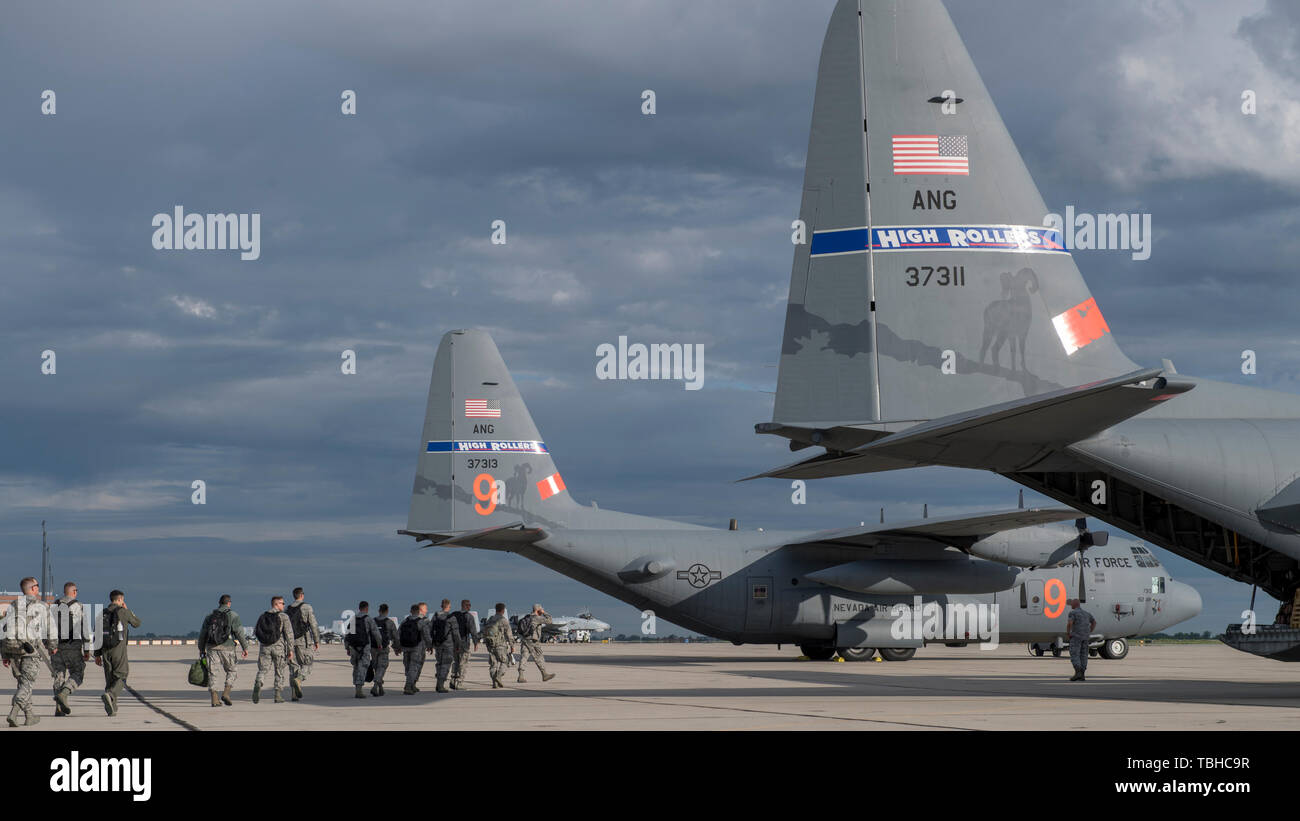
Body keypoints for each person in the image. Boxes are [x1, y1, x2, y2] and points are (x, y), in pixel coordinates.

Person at [2, 577, 55, 726]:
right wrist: (52, 646)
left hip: (13, 650)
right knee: (27, 684)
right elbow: (50, 629)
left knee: (23, 683)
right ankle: (14, 711)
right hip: (31, 650)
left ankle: (30, 715)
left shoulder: (12, 606)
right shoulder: (41, 606)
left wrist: (4, 654)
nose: (38, 588)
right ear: (32, 588)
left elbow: (4, 631)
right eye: (37, 585)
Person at [94, 589, 140, 717]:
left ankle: (112, 708)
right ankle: (111, 695)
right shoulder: (123, 612)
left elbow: (96, 635)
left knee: (109, 679)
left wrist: (97, 654)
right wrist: (128, 609)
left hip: (104, 649)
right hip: (119, 649)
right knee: (121, 675)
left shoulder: (101, 614)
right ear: (120, 600)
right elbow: (137, 623)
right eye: (122, 600)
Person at [198, 594, 249, 707]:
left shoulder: (210, 616)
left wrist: (201, 649)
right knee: (232, 671)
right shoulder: (233, 615)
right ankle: (226, 693)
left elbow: (203, 634)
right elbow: (239, 633)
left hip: (212, 648)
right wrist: (245, 647)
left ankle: (214, 699)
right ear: (229, 603)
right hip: (228, 648)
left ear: (219, 603)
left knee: (213, 673)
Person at [51, 581, 90, 716]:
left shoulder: (54, 606)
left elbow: (46, 627)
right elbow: (85, 629)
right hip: (73, 646)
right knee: (78, 673)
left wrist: (49, 645)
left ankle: (59, 707)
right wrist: (87, 650)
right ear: (74, 592)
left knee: (58, 676)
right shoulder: (78, 606)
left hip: (56, 647)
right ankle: (65, 692)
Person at [252, 596, 295, 704]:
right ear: (276, 604)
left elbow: (256, 631)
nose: (284, 605)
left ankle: (258, 682)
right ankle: (278, 695)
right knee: (279, 672)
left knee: (263, 670)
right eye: (282, 603)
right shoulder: (283, 616)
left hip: (265, 647)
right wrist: (290, 650)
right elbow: (289, 635)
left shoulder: (263, 616)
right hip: (279, 648)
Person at [285, 587, 320, 701]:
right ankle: (299, 679)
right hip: (303, 641)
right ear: (302, 595)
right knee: (308, 663)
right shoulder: (306, 607)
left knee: (293, 667)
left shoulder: (288, 609)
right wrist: (316, 640)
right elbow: (313, 625)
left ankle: (294, 694)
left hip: (290, 641)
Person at [347, 601, 383, 699]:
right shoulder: (368, 619)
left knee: (356, 667)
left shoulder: (353, 619)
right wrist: (379, 644)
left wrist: (347, 648)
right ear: (366, 608)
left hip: (354, 647)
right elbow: (376, 633)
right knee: (363, 667)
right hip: (364, 647)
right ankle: (359, 690)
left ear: (359, 608)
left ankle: (356, 688)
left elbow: (348, 635)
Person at [515, 603, 556, 683]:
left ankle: (521, 675)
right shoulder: (537, 618)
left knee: (524, 656)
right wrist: (544, 612)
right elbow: (550, 620)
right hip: (533, 641)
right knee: (538, 656)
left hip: (525, 639)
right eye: (541, 609)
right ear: (538, 610)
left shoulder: (527, 617)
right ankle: (544, 674)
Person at [399, 602, 433, 694]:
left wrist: (397, 647)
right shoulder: (421, 622)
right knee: (414, 667)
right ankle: (408, 686)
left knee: (408, 667)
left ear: (411, 611)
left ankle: (411, 685)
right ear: (418, 611)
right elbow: (426, 635)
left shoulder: (404, 621)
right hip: (417, 648)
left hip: (405, 648)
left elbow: (398, 635)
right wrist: (430, 646)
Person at [431, 599, 463, 693]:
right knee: (446, 664)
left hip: (438, 644)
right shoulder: (451, 617)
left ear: (441, 606)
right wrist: (458, 645)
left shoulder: (436, 616)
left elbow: (430, 629)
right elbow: (456, 633)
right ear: (448, 606)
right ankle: (440, 685)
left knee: (439, 663)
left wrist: (431, 643)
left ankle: (438, 683)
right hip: (448, 644)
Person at [368, 603, 399, 696]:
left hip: (373, 648)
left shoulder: (372, 621)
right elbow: (396, 637)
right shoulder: (389, 622)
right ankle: (375, 686)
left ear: (379, 611)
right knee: (382, 667)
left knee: (376, 667)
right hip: (383, 648)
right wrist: (397, 648)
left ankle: (380, 688)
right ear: (387, 611)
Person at [450, 599, 480, 690]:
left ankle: (452, 681)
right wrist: (475, 642)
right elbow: (473, 630)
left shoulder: (453, 615)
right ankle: (459, 683)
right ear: (464, 605)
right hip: (464, 642)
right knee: (463, 663)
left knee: (456, 662)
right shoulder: (469, 616)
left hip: (454, 642)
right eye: (468, 605)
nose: (469, 607)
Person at [1066, 598, 1097, 681]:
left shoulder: (1073, 613)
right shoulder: (1086, 613)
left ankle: (1078, 673)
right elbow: (1094, 622)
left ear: (1075, 604)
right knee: (1084, 655)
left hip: (1076, 637)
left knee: (1075, 654)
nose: (1071, 605)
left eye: (1072, 603)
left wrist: (1068, 632)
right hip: (1085, 637)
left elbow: (1070, 623)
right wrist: (1089, 631)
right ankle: (1082, 674)